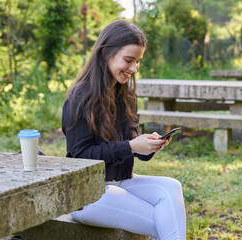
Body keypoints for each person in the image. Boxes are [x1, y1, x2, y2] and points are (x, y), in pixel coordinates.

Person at [61, 19, 186, 240]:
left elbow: (129, 147)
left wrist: (146, 147)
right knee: (164, 223)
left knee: (171, 187)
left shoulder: (126, 95)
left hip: (122, 181)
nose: (133, 68)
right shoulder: (79, 97)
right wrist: (130, 146)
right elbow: (80, 156)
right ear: (106, 53)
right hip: (87, 193)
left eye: (138, 61)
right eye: (128, 60)